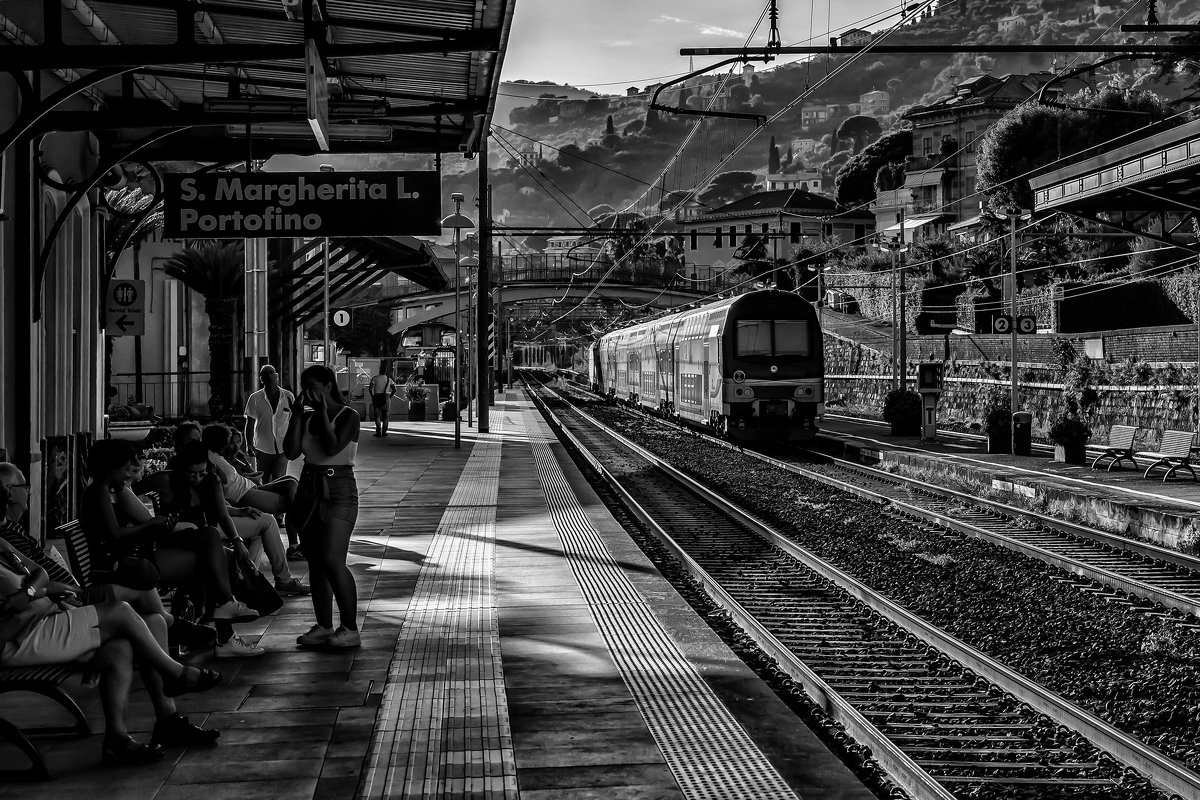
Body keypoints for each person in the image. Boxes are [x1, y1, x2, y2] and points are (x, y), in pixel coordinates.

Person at [0, 478, 223, 765]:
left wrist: (30, 591)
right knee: (120, 612)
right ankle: (175, 673)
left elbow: (40, 573)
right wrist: (36, 592)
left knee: (142, 630)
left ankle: (145, 728)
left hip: (44, 618)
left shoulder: (3, 540)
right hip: (18, 637)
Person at [78, 440, 258, 630]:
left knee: (216, 551)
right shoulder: (99, 492)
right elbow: (115, 535)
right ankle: (220, 620)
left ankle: (220, 621)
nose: (128, 475)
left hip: (134, 557)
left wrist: (155, 525)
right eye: (125, 469)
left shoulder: (105, 491)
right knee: (215, 553)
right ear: (111, 468)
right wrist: (150, 526)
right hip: (122, 566)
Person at [284, 364, 362, 649]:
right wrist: (296, 416)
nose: (309, 393)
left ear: (329, 385)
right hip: (309, 486)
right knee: (315, 562)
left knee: (332, 559)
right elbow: (291, 451)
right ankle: (323, 624)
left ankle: (350, 627)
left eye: (314, 387)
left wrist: (321, 412)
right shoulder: (304, 417)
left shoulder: (348, 415)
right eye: (305, 388)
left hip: (339, 489)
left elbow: (332, 448)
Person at [202, 423, 303, 561]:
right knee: (293, 501)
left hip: (251, 487)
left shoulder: (217, 455)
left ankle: (296, 539)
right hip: (244, 495)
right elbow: (218, 481)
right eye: (229, 441)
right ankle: (295, 545)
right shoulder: (210, 459)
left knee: (291, 481)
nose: (230, 444)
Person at [245, 364, 295, 482]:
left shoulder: (288, 397)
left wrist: (294, 443)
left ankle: (278, 500)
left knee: (279, 479)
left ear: (277, 376)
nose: (269, 375)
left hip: (283, 447)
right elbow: (250, 422)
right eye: (265, 373)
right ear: (261, 379)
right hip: (262, 448)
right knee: (264, 480)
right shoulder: (254, 398)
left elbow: (293, 421)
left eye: (271, 372)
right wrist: (249, 444)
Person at [368, 365, 397, 438]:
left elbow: (370, 388)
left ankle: (378, 432)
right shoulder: (389, 379)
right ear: (385, 371)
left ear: (379, 370)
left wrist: (373, 396)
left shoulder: (374, 378)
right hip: (386, 397)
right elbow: (394, 389)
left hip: (377, 397)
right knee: (386, 416)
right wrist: (389, 397)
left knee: (377, 416)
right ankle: (384, 432)